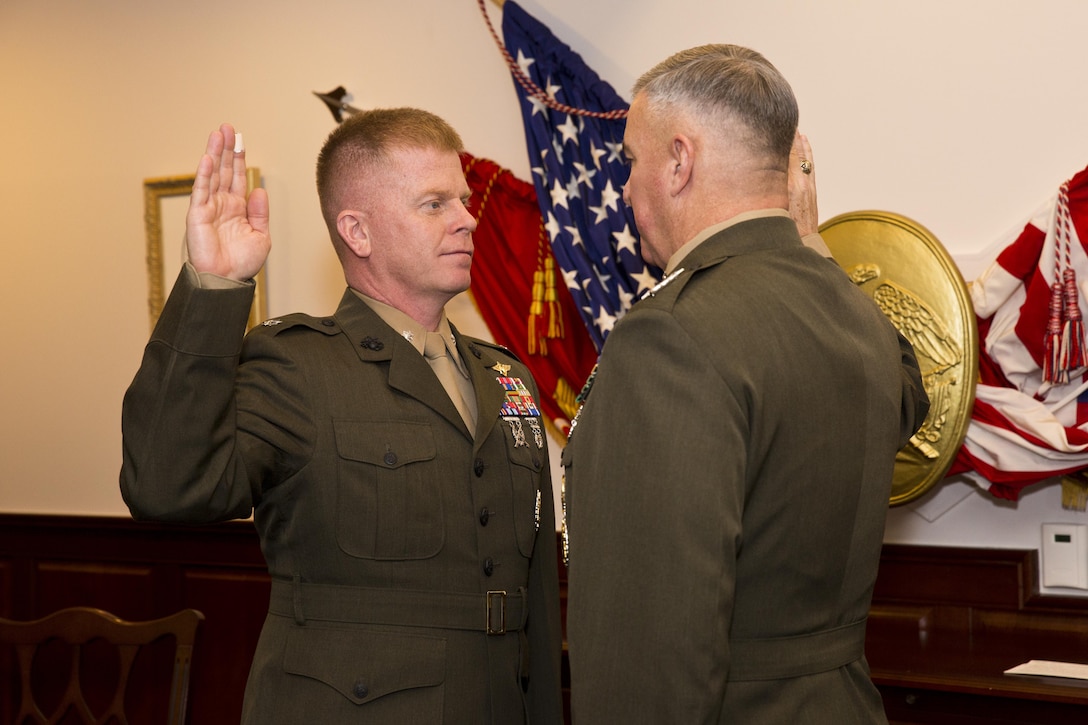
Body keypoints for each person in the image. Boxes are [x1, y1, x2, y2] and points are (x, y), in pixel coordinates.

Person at [120, 109, 564, 724]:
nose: (467, 220)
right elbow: (168, 487)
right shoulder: (298, 366)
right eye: (435, 204)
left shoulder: (505, 377)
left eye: (462, 201)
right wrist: (213, 288)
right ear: (357, 231)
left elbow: (533, 601)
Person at [561, 44, 930, 724]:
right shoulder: (852, 312)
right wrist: (810, 240)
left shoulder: (671, 334)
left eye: (630, 161)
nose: (625, 187)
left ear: (679, 161)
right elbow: (914, 394)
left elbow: (648, 648)